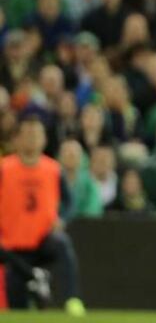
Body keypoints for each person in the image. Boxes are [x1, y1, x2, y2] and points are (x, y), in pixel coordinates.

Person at [0, 117, 86, 316]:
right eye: (27, 135)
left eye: (37, 135)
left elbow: (70, 202)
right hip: (12, 246)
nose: (32, 139)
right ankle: (34, 278)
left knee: (62, 243)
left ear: (44, 140)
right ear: (17, 140)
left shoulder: (54, 170)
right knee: (18, 308)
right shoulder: (5, 169)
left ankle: (72, 299)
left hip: (42, 240)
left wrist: (62, 219)